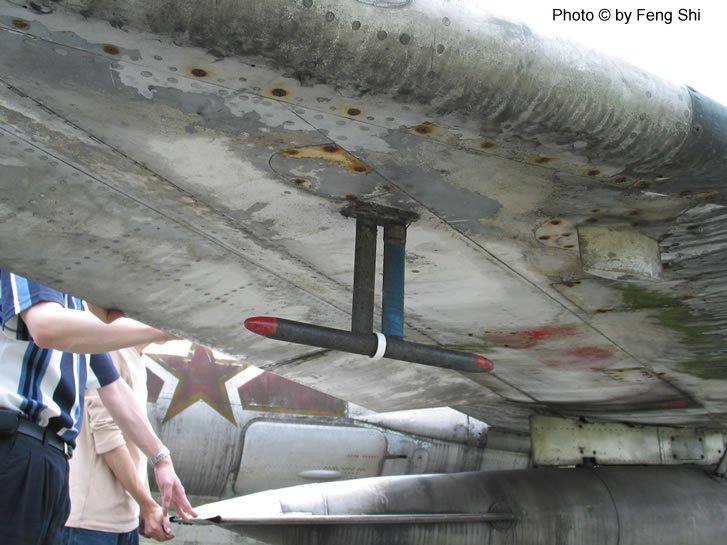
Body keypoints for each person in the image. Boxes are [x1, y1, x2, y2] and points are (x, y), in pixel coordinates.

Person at [0, 270, 196, 545]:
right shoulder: (31, 264)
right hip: (16, 443)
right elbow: (45, 327)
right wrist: (161, 328)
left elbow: (113, 388)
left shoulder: (75, 309)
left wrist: (161, 459)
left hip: (51, 458)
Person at [61, 339, 170, 544]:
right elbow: (107, 436)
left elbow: (132, 445)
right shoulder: (113, 351)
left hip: (121, 522)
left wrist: (142, 506)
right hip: (90, 523)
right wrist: (146, 503)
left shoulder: (134, 357)